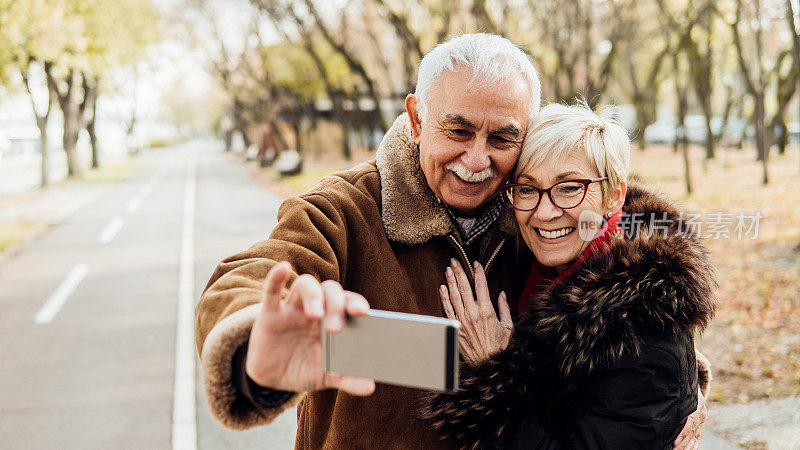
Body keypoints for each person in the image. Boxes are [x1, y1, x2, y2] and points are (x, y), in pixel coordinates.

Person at [195, 34, 708, 449]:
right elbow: (247, 277)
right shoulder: (344, 209)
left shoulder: (539, 218)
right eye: (458, 131)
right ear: (417, 119)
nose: (478, 159)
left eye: (502, 139)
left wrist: (678, 396)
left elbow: (622, 284)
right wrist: (253, 345)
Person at [424, 102, 716, 449]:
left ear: (615, 195)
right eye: (527, 189)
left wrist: (495, 370)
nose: (545, 212)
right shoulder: (542, 271)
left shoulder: (643, 328)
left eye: (569, 188)